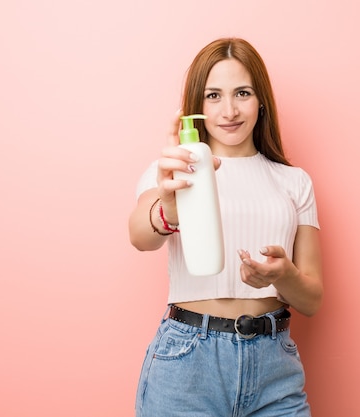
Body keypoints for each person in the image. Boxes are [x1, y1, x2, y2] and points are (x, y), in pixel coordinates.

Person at [128, 37, 323, 417]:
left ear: (261, 99)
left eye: (243, 93)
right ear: (195, 107)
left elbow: (312, 300)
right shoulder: (171, 170)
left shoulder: (294, 181)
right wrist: (168, 208)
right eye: (213, 95)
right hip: (187, 365)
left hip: (274, 369)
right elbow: (139, 235)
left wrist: (283, 276)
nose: (229, 110)